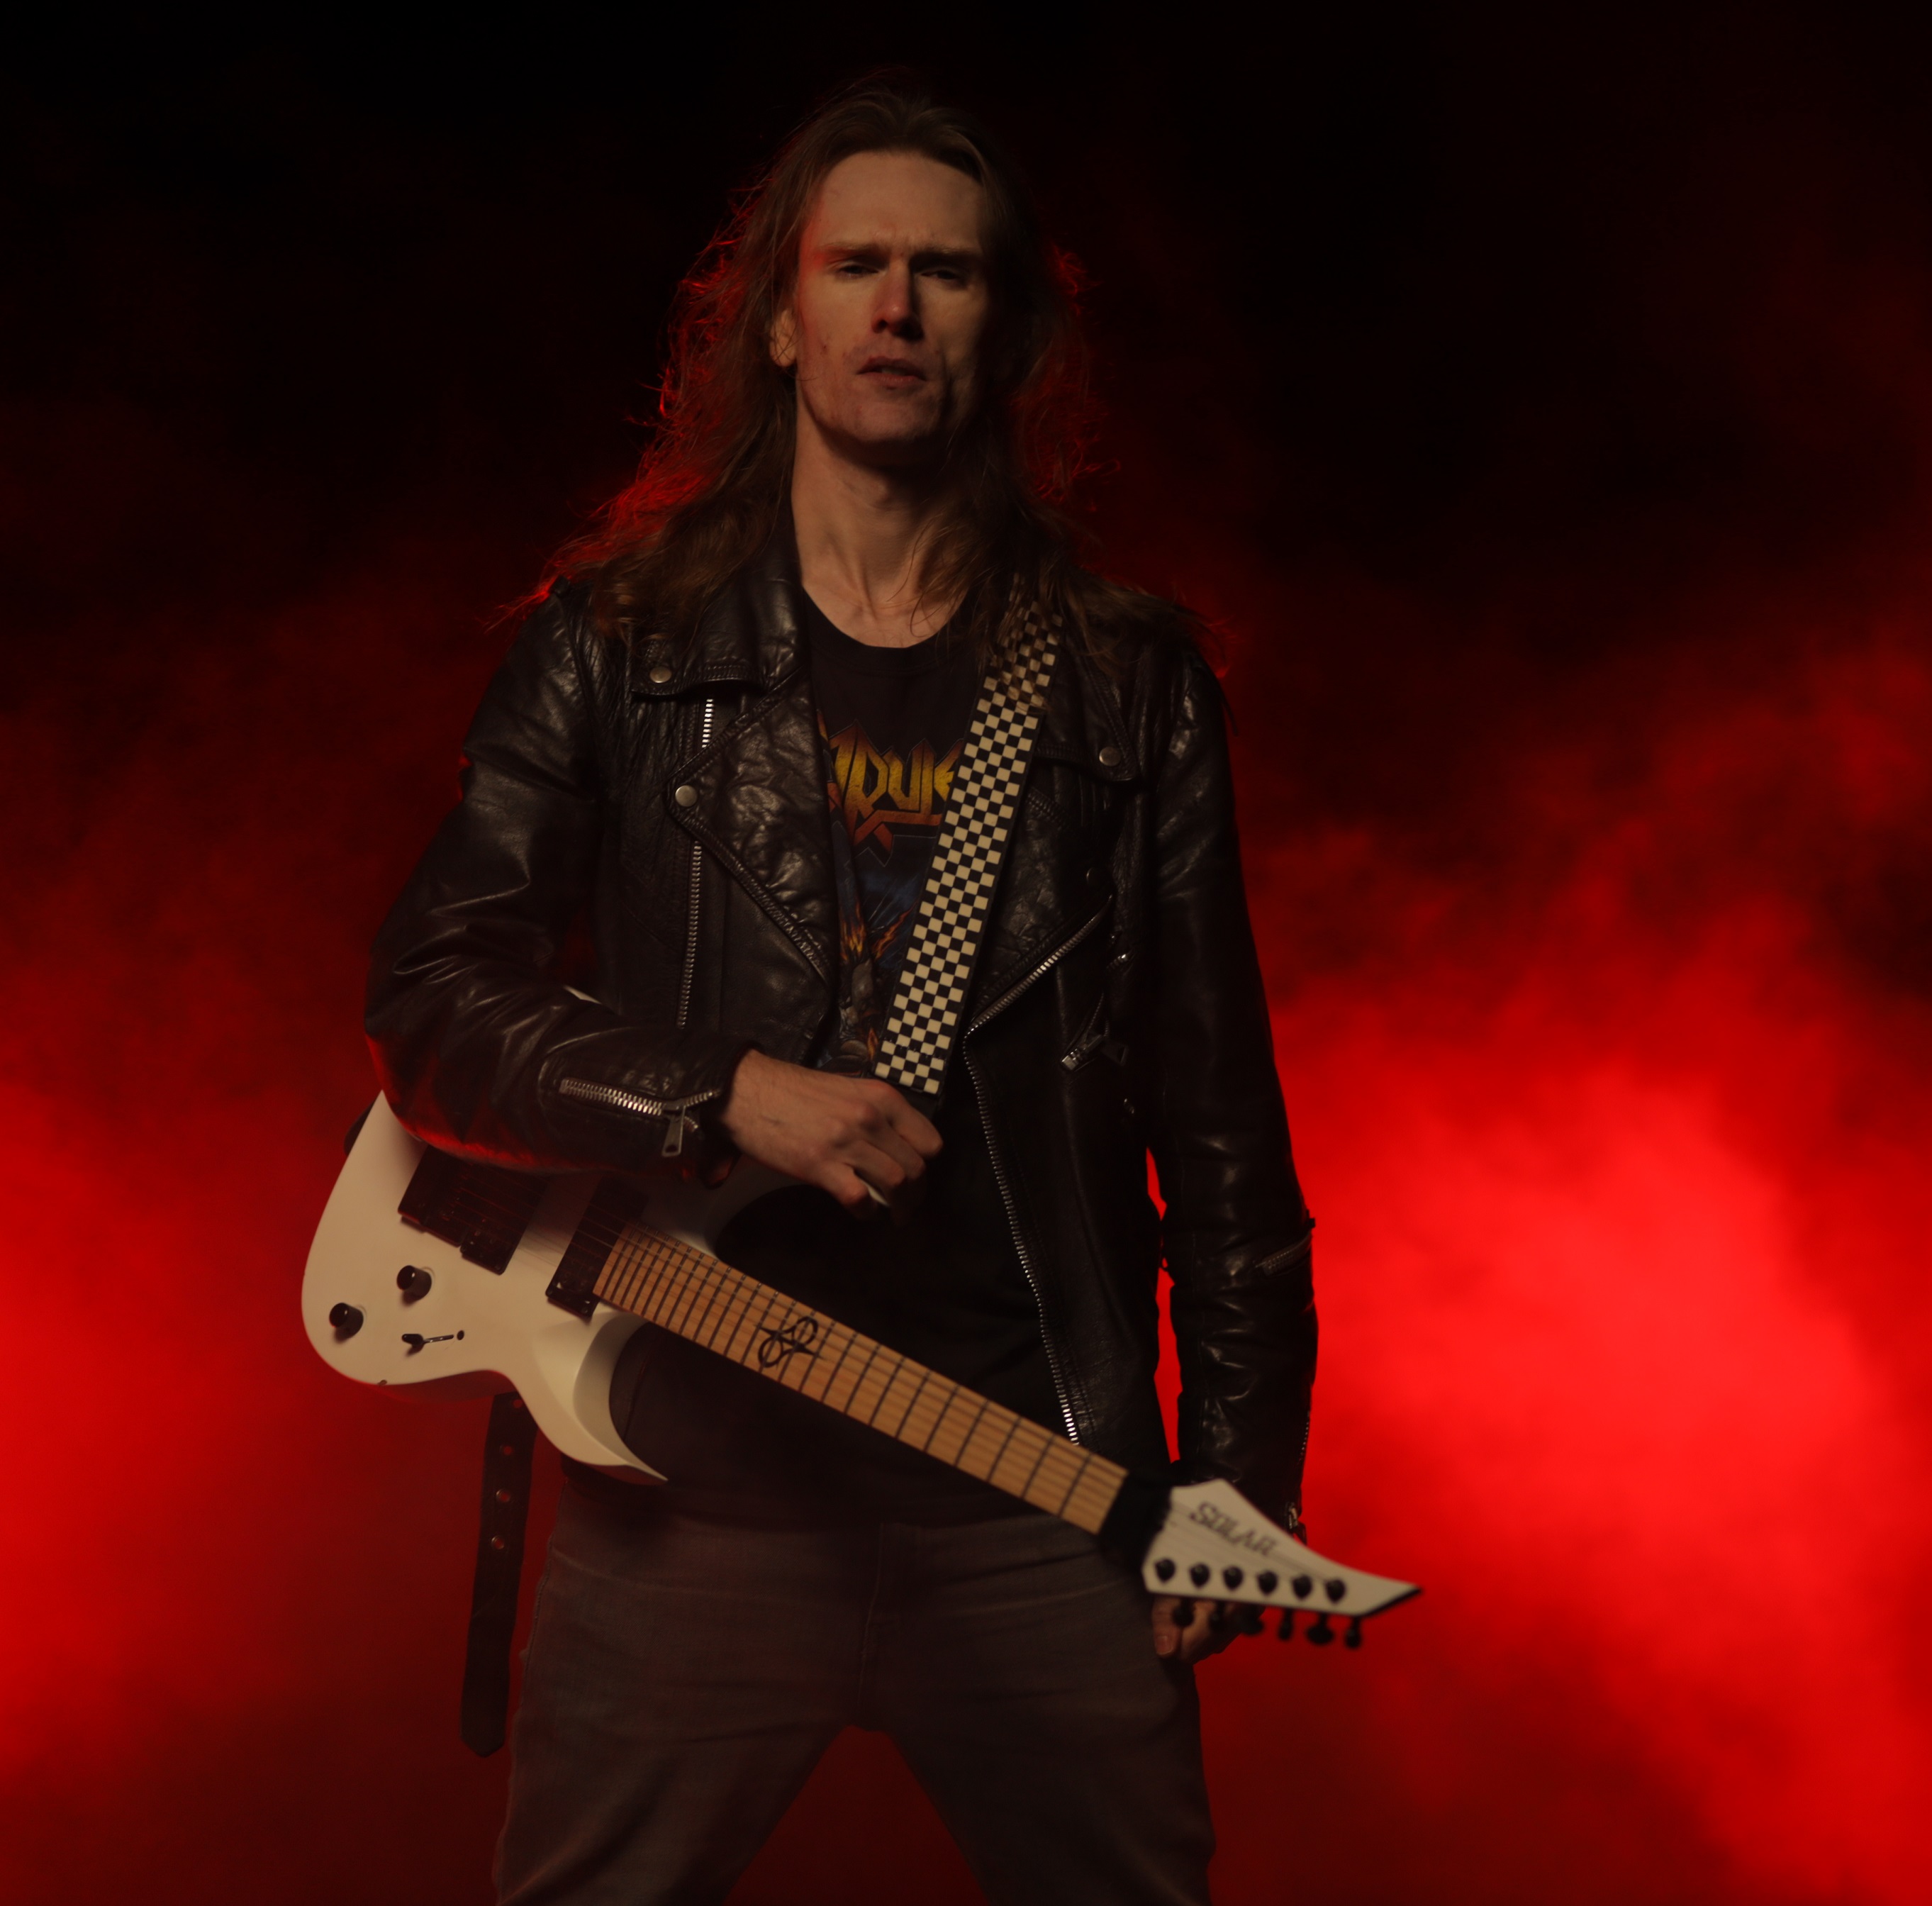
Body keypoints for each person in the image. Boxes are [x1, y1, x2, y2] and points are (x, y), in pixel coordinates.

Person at [364, 78, 1314, 1906]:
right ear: (782, 322)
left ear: (1006, 332)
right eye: (855, 264)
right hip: (688, 1488)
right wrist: (717, 1091)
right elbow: (430, 1001)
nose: (896, 307)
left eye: (945, 273)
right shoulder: (619, 644)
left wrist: (1241, 1472)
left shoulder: (1127, 686)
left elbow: (1221, 1127)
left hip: (1031, 1491)